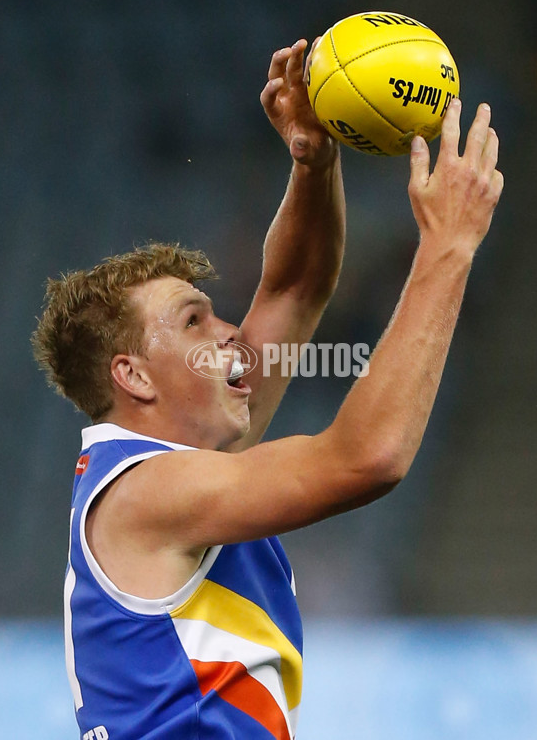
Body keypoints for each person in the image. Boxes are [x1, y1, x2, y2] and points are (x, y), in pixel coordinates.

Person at [32, 37, 503, 740]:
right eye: (193, 322)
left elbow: (295, 285)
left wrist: (313, 163)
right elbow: (367, 456)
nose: (230, 332)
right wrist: (447, 247)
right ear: (131, 375)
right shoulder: (147, 492)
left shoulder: (175, 468)